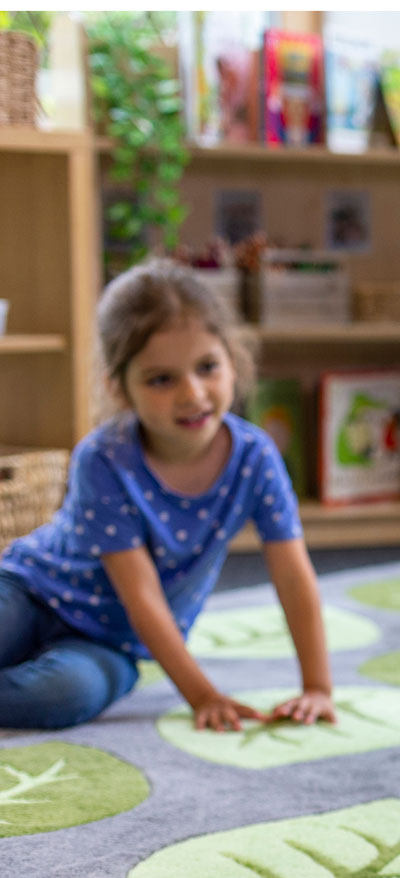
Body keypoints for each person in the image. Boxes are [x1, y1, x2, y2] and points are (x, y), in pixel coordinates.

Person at [0, 260, 334, 733]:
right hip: (32, 591)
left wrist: (317, 686)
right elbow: (141, 594)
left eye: (207, 367)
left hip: (113, 643)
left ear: (232, 361)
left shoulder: (255, 457)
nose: (192, 393)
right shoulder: (103, 458)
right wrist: (204, 696)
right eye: (161, 379)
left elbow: (293, 575)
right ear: (120, 388)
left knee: (61, 697)